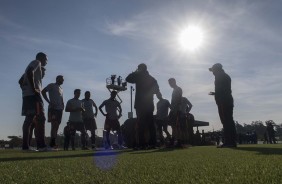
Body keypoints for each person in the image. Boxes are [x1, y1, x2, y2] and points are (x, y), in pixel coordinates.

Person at [126, 63, 161, 149]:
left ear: (140, 69)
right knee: (150, 125)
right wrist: (149, 92)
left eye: (138, 68)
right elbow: (156, 90)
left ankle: (142, 144)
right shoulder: (152, 79)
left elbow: (128, 78)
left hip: (140, 104)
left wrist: (135, 72)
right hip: (149, 104)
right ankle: (152, 143)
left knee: (141, 124)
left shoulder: (138, 77)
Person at [20, 52, 48, 151]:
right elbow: (29, 72)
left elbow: (20, 80)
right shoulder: (37, 62)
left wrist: (25, 90)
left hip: (27, 95)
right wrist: (34, 89)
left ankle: (25, 146)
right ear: (42, 58)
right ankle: (41, 146)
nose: (47, 61)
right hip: (34, 95)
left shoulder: (33, 66)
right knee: (41, 119)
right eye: (46, 59)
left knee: (29, 119)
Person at [209, 63, 237, 148]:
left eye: (213, 70)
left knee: (226, 121)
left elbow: (222, 90)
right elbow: (225, 89)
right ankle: (231, 141)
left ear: (217, 69)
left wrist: (217, 94)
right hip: (227, 99)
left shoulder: (219, 76)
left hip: (223, 100)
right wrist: (215, 93)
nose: (212, 72)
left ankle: (229, 142)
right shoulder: (224, 75)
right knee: (229, 120)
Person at [42, 75, 64, 149]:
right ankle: (52, 143)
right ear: (57, 79)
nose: (63, 81)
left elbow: (61, 98)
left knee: (57, 126)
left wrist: (62, 105)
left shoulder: (61, 88)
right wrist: (49, 102)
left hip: (60, 110)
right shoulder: (51, 85)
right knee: (54, 125)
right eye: (62, 79)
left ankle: (53, 142)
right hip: (53, 108)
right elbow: (43, 92)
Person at [168, 78, 183, 148]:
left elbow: (179, 100)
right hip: (173, 110)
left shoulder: (178, 89)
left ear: (174, 82)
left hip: (176, 110)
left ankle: (178, 142)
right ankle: (174, 141)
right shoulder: (174, 90)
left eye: (170, 83)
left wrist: (176, 110)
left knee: (176, 126)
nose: (170, 85)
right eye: (169, 83)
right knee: (173, 126)